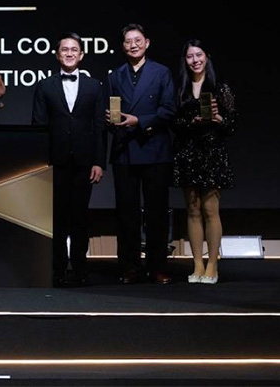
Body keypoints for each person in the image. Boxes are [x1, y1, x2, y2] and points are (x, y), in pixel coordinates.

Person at [32, 32, 107, 287]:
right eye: (65, 49)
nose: (69, 53)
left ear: (82, 55)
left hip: (85, 161)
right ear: (57, 54)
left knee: (80, 217)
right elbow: (38, 126)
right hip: (55, 162)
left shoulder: (95, 86)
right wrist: (41, 164)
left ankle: (80, 268)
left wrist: (99, 161)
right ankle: (57, 269)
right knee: (57, 218)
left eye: (74, 49)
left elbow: (99, 127)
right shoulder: (45, 86)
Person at [106, 23, 177, 285]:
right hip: (125, 150)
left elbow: (169, 110)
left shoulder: (161, 72)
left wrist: (140, 121)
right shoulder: (115, 76)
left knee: (156, 212)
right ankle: (129, 267)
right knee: (126, 213)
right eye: (128, 41)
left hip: (154, 148)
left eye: (137, 40)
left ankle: (158, 266)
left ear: (147, 43)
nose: (133, 45)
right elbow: (111, 111)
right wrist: (111, 120)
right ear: (122, 46)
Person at [172, 39, 237, 285]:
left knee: (210, 210)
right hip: (187, 152)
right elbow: (173, 122)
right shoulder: (180, 88)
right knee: (192, 210)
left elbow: (233, 125)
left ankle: (212, 264)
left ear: (206, 57)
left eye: (198, 55)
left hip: (212, 152)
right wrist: (191, 122)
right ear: (185, 60)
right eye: (190, 56)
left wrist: (219, 119)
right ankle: (197, 263)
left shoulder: (220, 88)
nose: (195, 60)